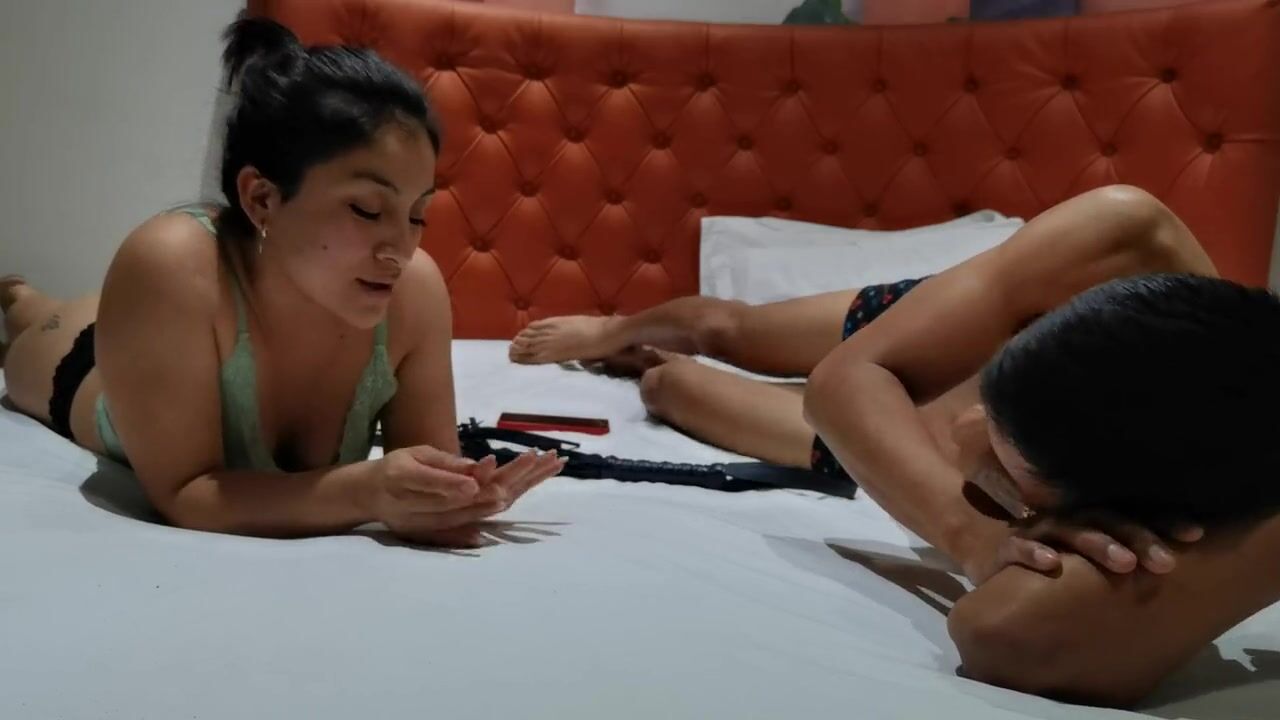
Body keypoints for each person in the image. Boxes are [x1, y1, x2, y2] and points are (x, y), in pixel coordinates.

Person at [511, 185, 1280, 705]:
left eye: (1015, 490)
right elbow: (847, 381)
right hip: (920, 356)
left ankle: (645, 360)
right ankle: (612, 329)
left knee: (670, 385)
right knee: (725, 330)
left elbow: (1010, 634)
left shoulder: (1206, 472)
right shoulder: (1124, 237)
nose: (972, 442)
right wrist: (975, 536)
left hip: (893, 439)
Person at [0, 16, 564, 548]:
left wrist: (455, 497)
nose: (400, 250)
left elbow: (424, 470)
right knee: (33, 321)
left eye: (418, 215)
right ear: (262, 198)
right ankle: (19, 296)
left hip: (163, 328)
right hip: (77, 364)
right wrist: (364, 491)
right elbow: (186, 493)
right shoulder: (170, 261)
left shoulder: (415, 291)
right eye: (367, 210)